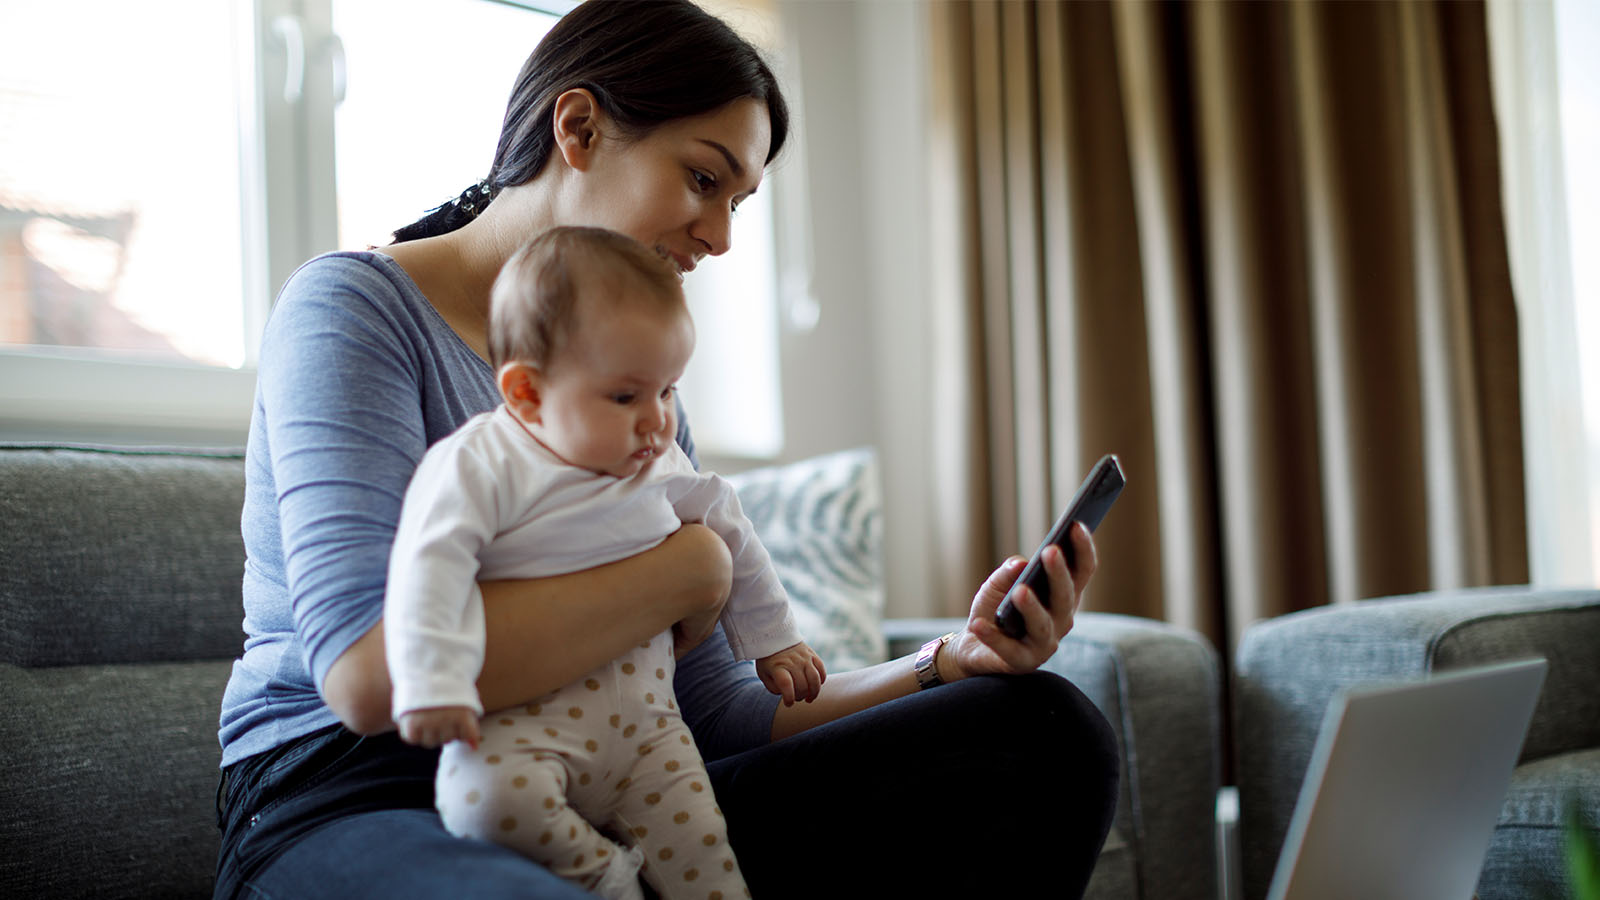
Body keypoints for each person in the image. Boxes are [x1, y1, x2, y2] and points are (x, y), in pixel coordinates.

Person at [214, 2, 1119, 898]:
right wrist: (684, 572)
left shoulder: (635, 398)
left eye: (737, 201)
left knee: (1040, 727)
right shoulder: (355, 312)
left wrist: (943, 665)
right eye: (701, 180)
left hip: (610, 779)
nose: (721, 236)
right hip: (365, 791)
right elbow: (370, 677)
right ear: (578, 127)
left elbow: (715, 714)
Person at [385, 226, 824, 900]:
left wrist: (775, 640)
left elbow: (731, 530)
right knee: (479, 802)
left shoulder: (661, 461)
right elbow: (428, 568)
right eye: (626, 396)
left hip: (650, 731)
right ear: (528, 393)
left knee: (707, 859)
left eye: (669, 391)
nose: (658, 422)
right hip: (523, 727)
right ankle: (602, 876)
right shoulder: (483, 462)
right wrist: (432, 680)